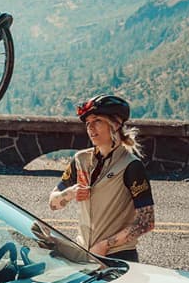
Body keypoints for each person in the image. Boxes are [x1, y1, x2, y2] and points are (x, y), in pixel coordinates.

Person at [48, 94, 155, 262]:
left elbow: (146, 221)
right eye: (87, 123)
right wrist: (70, 193)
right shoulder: (80, 160)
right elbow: (53, 204)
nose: (90, 128)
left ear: (116, 124)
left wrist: (105, 245)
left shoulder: (131, 166)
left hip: (118, 257)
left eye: (97, 121)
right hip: (84, 253)